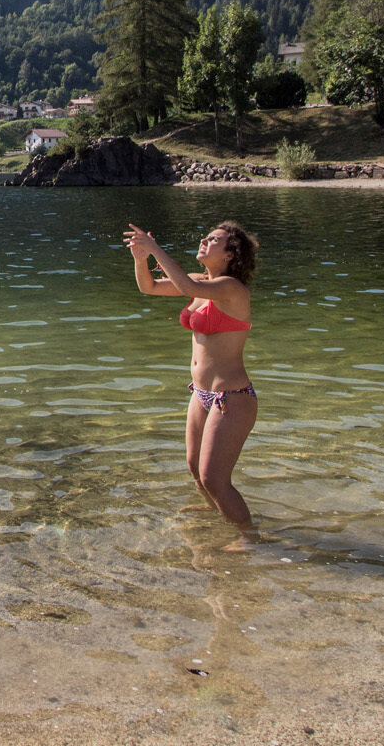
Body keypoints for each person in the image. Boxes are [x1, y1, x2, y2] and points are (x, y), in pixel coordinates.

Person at [125, 220, 262, 547]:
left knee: (214, 479)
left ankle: (251, 540)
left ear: (230, 255)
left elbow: (185, 287)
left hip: (231, 397)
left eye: (213, 239)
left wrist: (155, 248)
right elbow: (150, 288)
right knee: (194, 469)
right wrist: (140, 257)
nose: (203, 240)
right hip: (201, 394)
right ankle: (216, 516)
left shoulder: (231, 289)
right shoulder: (202, 281)